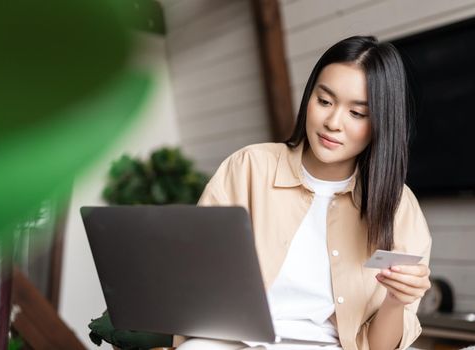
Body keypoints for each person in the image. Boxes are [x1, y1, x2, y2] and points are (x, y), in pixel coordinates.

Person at [174, 35, 432, 350]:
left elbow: (378, 347)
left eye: (357, 113)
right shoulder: (250, 167)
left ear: (381, 123)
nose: (333, 122)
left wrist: (396, 300)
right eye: (324, 101)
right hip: (231, 342)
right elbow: (192, 277)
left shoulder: (399, 206)